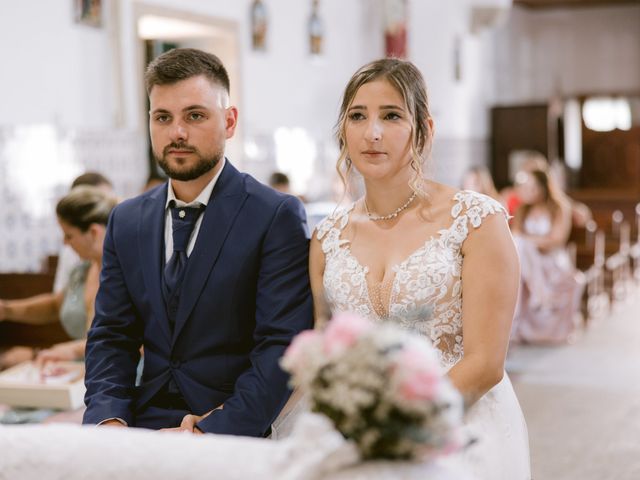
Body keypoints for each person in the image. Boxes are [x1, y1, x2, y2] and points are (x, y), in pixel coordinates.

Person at [309, 59, 530, 479]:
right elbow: (325, 348)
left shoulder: (476, 220)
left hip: (459, 427)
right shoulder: (326, 238)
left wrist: (396, 431)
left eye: (391, 115)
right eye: (358, 116)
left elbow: (486, 362)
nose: (372, 132)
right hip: (356, 435)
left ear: (423, 128)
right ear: (344, 130)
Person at [82, 48, 313, 436]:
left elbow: (280, 347)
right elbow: (111, 336)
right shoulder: (127, 219)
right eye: (163, 117)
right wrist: (110, 420)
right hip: (140, 427)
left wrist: (209, 431)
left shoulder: (275, 215)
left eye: (195, 115)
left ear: (229, 121)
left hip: (232, 429)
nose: (178, 133)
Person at [0, 186, 118, 369]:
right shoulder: (82, 272)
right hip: (86, 376)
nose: (65, 242)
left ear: (94, 232)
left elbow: (139, 339)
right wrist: (7, 309)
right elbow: (56, 305)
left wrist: (72, 351)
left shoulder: (131, 273)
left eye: (69, 235)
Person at [510, 169, 584, 344]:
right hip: (529, 261)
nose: (529, 191)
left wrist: (528, 241)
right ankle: (539, 294)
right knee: (519, 248)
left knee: (521, 246)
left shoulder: (559, 207)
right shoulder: (521, 210)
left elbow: (556, 240)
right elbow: (514, 237)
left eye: (533, 187)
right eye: (526, 187)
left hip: (553, 260)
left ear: (544, 187)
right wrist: (530, 241)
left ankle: (539, 295)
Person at [53, 172, 114, 293]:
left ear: (94, 232)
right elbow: (59, 301)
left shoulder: (120, 266)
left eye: (69, 236)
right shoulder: (82, 265)